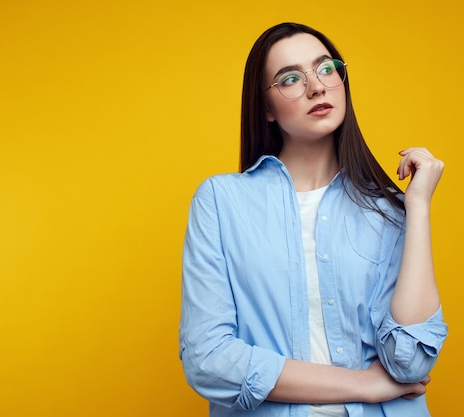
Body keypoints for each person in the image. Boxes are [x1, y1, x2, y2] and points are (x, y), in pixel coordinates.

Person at [179, 22, 448, 417]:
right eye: (290, 78)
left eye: (326, 69)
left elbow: (409, 362)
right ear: (266, 109)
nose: (317, 87)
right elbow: (208, 360)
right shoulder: (221, 202)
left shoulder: (390, 209)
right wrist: (365, 384)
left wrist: (418, 207)